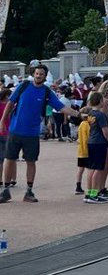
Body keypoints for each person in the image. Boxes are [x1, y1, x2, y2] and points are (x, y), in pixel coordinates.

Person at [0, 64, 72, 203]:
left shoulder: (46, 92)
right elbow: (10, 103)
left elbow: (61, 107)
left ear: (45, 77)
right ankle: (6, 190)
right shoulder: (23, 86)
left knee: (31, 161)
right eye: (37, 73)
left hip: (32, 133)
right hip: (15, 130)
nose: (38, 76)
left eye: (41, 74)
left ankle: (29, 191)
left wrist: (79, 114)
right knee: (9, 159)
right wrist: (3, 120)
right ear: (34, 74)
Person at [83, 91, 108, 204]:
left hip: (91, 141)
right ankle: (95, 194)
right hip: (99, 142)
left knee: (91, 168)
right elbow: (105, 131)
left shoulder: (90, 114)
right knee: (99, 169)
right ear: (100, 102)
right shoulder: (100, 115)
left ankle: (89, 192)